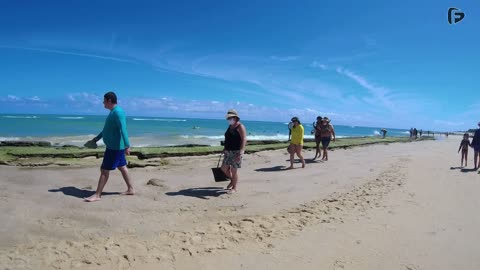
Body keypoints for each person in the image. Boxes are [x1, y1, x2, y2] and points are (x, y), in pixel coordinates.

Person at [84, 92, 134, 202]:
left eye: (104, 100)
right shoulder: (113, 112)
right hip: (114, 147)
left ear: (109, 100)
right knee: (122, 167)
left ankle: (97, 195)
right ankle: (130, 189)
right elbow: (106, 129)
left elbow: (123, 129)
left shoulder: (118, 112)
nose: (103, 103)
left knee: (104, 170)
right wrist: (96, 139)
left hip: (114, 148)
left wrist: (127, 145)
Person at [221, 109, 247, 193]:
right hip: (228, 151)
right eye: (228, 118)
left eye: (230, 118)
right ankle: (232, 181)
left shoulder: (240, 126)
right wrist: (224, 148)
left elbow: (244, 139)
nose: (228, 119)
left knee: (233, 170)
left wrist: (241, 152)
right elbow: (228, 138)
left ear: (235, 118)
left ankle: (234, 188)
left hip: (236, 152)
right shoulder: (230, 126)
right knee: (223, 168)